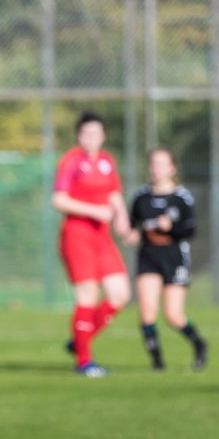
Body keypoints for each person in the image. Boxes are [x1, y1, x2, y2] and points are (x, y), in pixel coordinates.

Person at [52, 111, 132, 377]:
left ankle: (79, 341)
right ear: (79, 136)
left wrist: (123, 221)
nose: (91, 138)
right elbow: (59, 200)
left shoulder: (107, 161)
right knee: (87, 295)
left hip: (102, 237)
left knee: (120, 295)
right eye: (86, 133)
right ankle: (84, 361)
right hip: (77, 235)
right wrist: (94, 211)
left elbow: (114, 194)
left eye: (96, 133)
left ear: (103, 136)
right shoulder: (71, 162)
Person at [126, 147, 208, 371]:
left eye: (163, 164)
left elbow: (190, 230)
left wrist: (171, 228)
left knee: (173, 314)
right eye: (153, 163)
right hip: (148, 256)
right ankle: (157, 361)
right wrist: (131, 233)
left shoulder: (181, 198)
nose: (157, 169)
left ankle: (199, 343)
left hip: (174, 256)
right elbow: (132, 224)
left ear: (172, 168)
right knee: (147, 309)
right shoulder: (141, 196)